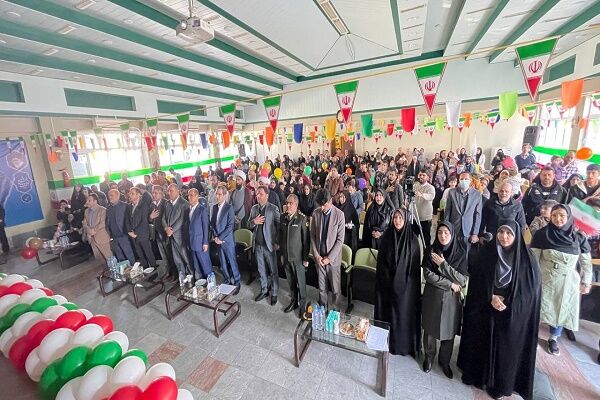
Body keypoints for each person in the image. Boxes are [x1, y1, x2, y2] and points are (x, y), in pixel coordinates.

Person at [458, 221, 541, 400]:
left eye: (509, 234)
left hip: (511, 313)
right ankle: (478, 376)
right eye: (501, 232)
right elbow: (477, 282)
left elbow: (530, 293)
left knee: (505, 350)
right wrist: (491, 296)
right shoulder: (487, 253)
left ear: (517, 236)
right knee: (483, 342)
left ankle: (500, 384)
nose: (504, 237)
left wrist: (508, 301)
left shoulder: (527, 259)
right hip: (485, 308)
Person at [530, 204, 593, 356]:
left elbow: (586, 262)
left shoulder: (578, 237)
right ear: (550, 217)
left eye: (562, 215)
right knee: (538, 309)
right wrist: (532, 280)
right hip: (545, 278)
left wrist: (587, 281)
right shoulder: (542, 234)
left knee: (561, 309)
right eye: (554, 215)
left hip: (568, 282)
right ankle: (532, 337)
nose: (558, 219)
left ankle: (553, 338)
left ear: (569, 217)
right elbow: (534, 259)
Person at [422, 222, 468, 378]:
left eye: (446, 233)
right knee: (429, 329)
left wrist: (443, 265)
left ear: (452, 234)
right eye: (440, 232)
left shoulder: (460, 253)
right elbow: (428, 275)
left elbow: (462, 280)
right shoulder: (430, 251)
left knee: (448, 332)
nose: (442, 236)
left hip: (451, 301)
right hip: (433, 295)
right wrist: (450, 284)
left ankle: (444, 362)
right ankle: (428, 357)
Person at [375, 208, 422, 356]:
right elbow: (381, 263)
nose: (397, 221)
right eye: (395, 217)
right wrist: (388, 279)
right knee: (386, 313)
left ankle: (401, 346)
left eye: (400, 218)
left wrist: (400, 283)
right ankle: (384, 341)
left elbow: (414, 270)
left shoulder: (413, 240)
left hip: (405, 288)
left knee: (402, 315)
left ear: (406, 219)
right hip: (387, 285)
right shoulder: (386, 237)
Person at [310, 189, 345, 310]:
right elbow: (313, 236)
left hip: (333, 260)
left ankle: (335, 311)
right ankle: (322, 307)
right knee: (321, 287)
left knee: (335, 289)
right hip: (319, 258)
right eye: (320, 205)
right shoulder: (316, 213)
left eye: (324, 205)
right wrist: (316, 255)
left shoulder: (339, 215)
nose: (322, 208)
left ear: (330, 201)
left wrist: (329, 258)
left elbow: (340, 240)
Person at [248, 186, 281, 305]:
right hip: (258, 245)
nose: (258, 196)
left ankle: (274, 293)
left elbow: (279, 226)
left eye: (261, 194)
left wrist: (277, 242)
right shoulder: (254, 209)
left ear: (267, 195)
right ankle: (264, 289)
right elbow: (248, 224)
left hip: (269, 245)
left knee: (273, 270)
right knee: (261, 270)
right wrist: (253, 222)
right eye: (257, 194)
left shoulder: (273, 209)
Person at [280, 194, 310, 316]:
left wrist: (306, 258)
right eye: (287, 202)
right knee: (291, 282)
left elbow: (306, 240)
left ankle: (302, 305)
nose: (288, 205)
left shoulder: (302, 219)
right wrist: (282, 254)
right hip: (286, 256)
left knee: (301, 283)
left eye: (290, 203)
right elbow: (281, 237)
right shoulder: (283, 218)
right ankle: (294, 301)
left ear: (296, 205)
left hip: (298, 258)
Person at [210, 186, 241, 290]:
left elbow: (230, 226)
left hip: (227, 241)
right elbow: (212, 224)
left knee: (232, 262)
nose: (217, 196)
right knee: (223, 263)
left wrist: (220, 237)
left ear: (224, 195)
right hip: (218, 241)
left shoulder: (229, 207)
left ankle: (236, 282)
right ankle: (227, 280)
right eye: (216, 194)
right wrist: (215, 236)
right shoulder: (214, 207)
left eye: (219, 194)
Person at [444, 172, 482, 248]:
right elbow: (447, 211)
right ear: (459, 180)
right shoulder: (452, 192)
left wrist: (475, 233)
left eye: (466, 179)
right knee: (452, 251)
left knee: (465, 254)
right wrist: (446, 228)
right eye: (461, 179)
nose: (463, 181)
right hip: (454, 228)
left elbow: (477, 215)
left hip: (468, 230)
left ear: (470, 180)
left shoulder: (477, 194)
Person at [163, 183, 191, 277]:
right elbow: (163, 218)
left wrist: (172, 230)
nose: (169, 193)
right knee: (177, 259)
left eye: (171, 191)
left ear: (178, 191)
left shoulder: (184, 204)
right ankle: (181, 277)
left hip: (180, 236)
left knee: (186, 257)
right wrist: (166, 228)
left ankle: (192, 276)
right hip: (171, 236)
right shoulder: (167, 203)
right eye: (168, 191)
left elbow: (182, 220)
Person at [188, 188, 215, 282]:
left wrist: (205, 242)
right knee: (197, 265)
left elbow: (205, 227)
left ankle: (211, 284)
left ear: (197, 196)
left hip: (200, 242)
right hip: (192, 242)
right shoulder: (190, 209)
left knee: (205, 264)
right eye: (188, 195)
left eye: (191, 195)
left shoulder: (202, 210)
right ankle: (202, 283)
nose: (189, 197)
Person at [150, 185, 176, 282]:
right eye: (153, 192)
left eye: (156, 193)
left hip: (165, 234)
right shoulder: (153, 205)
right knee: (163, 256)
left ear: (161, 194)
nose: (154, 195)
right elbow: (149, 218)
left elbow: (168, 219)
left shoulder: (166, 204)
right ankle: (167, 272)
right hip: (157, 234)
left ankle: (174, 273)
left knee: (170, 255)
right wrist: (150, 217)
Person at [127, 187, 157, 269]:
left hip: (142, 234)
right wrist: (129, 231)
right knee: (140, 255)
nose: (130, 195)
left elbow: (144, 221)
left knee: (148, 253)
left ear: (138, 195)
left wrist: (135, 233)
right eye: (130, 193)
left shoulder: (143, 205)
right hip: (133, 235)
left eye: (132, 193)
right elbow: (127, 220)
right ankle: (146, 270)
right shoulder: (129, 206)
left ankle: (154, 271)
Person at [106, 189, 135, 265]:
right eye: (109, 196)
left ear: (117, 196)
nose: (110, 197)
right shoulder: (108, 208)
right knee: (119, 256)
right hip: (114, 236)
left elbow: (130, 220)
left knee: (128, 254)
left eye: (112, 195)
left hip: (123, 234)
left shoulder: (125, 206)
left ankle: (134, 269)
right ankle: (125, 270)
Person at [83, 193, 112, 263]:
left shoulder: (102, 210)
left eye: (89, 200)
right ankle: (106, 272)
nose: (87, 202)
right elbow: (84, 223)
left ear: (95, 201)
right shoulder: (86, 211)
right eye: (87, 200)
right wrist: (88, 230)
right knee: (99, 259)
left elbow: (102, 223)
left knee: (109, 257)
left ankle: (115, 271)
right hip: (92, 238)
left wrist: (94, 230)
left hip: (102, 237)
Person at [414, 170, 435, 246]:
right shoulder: (415, 185)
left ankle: (427, 255)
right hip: (415, 217)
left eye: (424, 175)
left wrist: (422, 195)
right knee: (413, 238)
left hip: (425, 218)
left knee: (426, 239)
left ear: (428, 177)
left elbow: (431, 196)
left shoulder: (430, 187)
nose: (421, 177)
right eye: (420, 175)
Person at [336, 190, 359, 255]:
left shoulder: (352, 209)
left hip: (347, 236)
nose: (342, 199)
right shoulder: (337, 208)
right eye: (340, 197)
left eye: (344, 197)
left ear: (347, 198)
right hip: (336, 234)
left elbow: (357, 225)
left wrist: (352, 226)